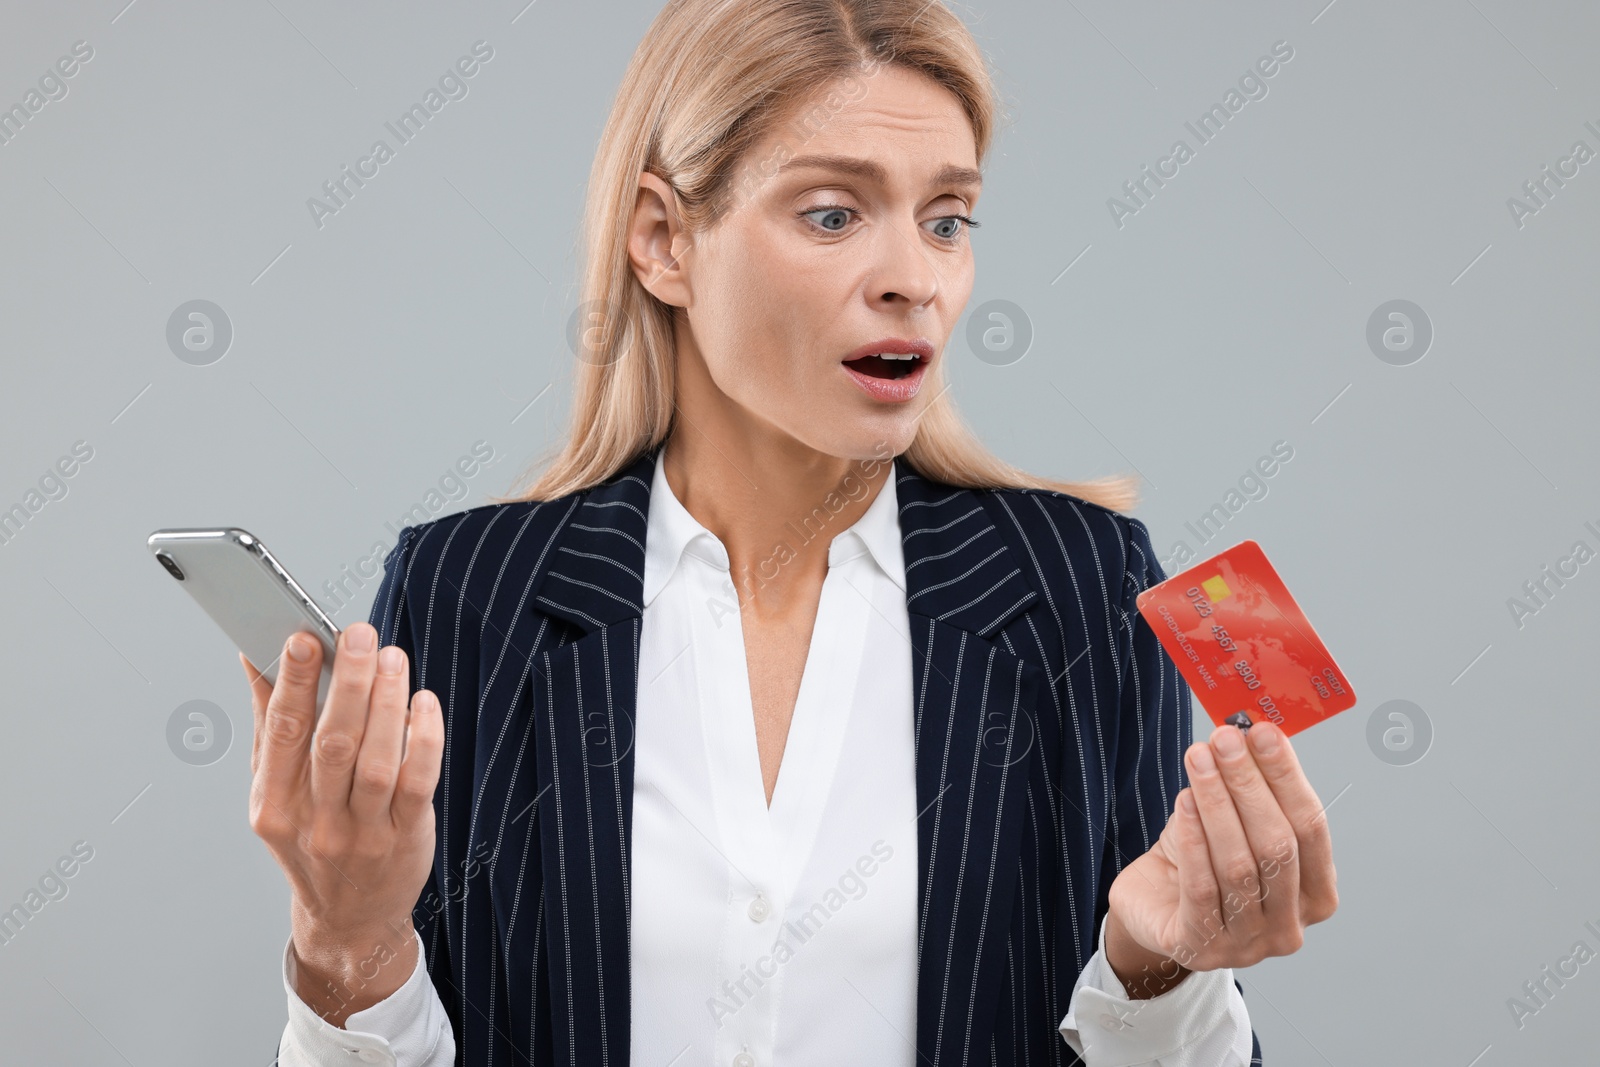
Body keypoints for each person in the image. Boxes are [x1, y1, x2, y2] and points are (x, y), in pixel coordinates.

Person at [242, 1, 1337, 1063]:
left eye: (946, 219)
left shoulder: (1085, 585)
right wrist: (348, 939)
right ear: (664, 241)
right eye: (832, 213)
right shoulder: (463, 590)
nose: (915, 279)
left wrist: (1154, 965)